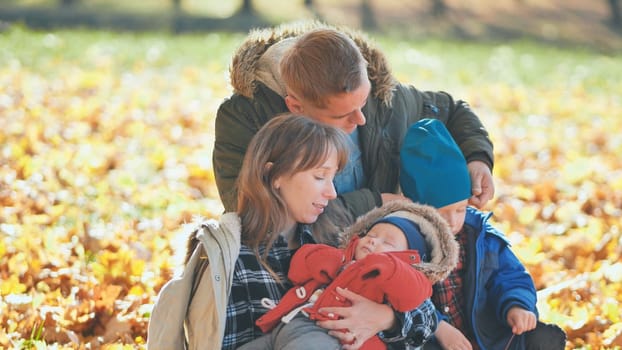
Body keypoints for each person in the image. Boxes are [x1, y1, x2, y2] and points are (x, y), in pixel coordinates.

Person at [147, 114, 437, 350]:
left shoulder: (334, 240)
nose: (333, 192)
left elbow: (426, 317)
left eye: (333, 178)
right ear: (275, 176)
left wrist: (384, 319)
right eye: (320, 177)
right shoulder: (232, 255)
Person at [213, 21, 495, 225]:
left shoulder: (384, 99)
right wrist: (372, 204)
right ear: (296, 107)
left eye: (363, 103)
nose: (360, 119)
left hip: (382, 260)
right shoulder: (246, 120)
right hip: (295, 277)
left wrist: (478, 158)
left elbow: (453, 111)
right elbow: (253, 215)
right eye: (341, 115)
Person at [399, 119, 567, 350]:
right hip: (435, 339)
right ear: (417, 208)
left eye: (460, 209)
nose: (453, 221)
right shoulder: (403, 241)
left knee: (544, 339)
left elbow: (509, 275)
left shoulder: (479, 236)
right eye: (441, 212)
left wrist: (516, 306)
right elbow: (399, 297)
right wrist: (437, 325)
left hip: (484, 335)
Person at [240, 202, 459, 350]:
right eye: (371, 235)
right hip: (288, 324)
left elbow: (416, 293)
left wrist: (389, 265)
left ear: (409, 260)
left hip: (330, 337)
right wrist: (320, 258)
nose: (373, 241)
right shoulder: (341, 261)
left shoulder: (398, 281)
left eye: (388, 242)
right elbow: (296, 272)